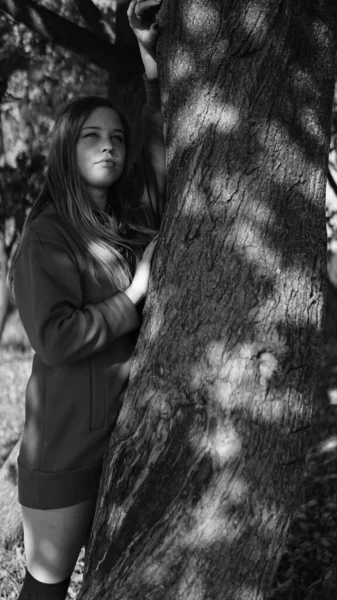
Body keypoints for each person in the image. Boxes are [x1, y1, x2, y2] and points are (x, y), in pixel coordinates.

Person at [9, 1, 165, 598]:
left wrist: (151, 64)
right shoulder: (47, 234)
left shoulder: (122, 224)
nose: (109, 146)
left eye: (116, 138)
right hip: (65, 447)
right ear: (67, 148)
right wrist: (133, 295)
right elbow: (53, 335)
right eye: (93, 137)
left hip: (118, 434)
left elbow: (158, 148)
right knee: (45, 589)